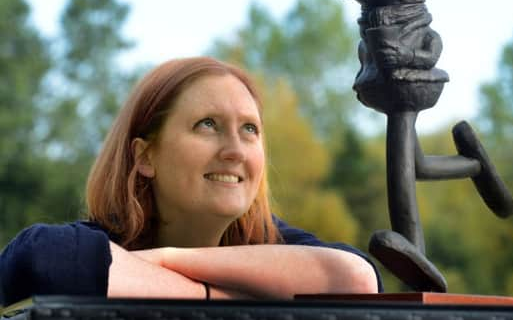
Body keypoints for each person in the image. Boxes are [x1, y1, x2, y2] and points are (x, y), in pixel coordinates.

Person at [0, 56, 382, 306]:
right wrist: (225, 297)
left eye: (249, 129)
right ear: (145, 156)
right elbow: (42, 257)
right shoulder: (89, 245)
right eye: (208, 125)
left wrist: (166, 262)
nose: (235, 150)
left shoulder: (271, 243)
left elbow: (356, 277)